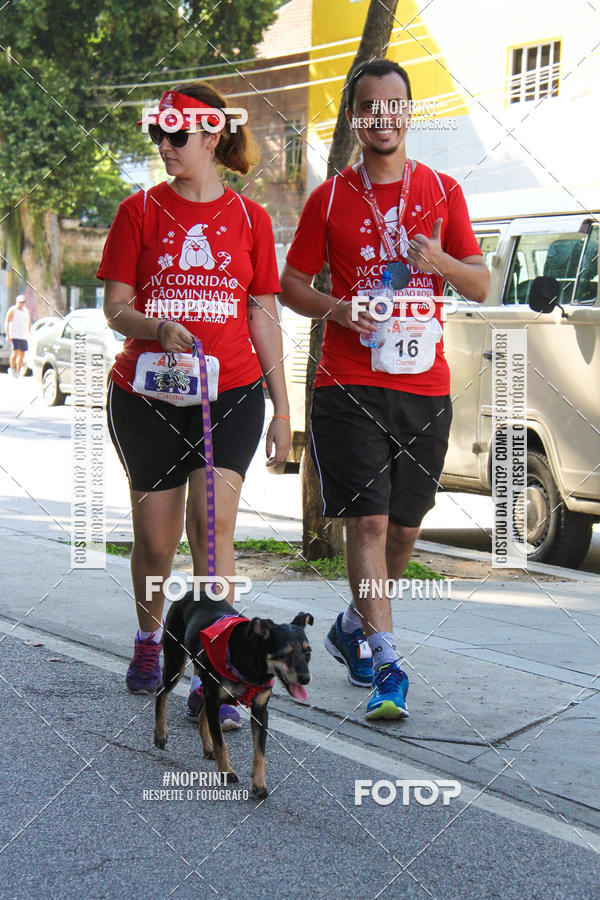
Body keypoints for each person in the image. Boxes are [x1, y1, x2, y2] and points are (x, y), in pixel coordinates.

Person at [281, 59, 489, 720]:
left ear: (408, 113)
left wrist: (441, 262)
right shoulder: (330, 198)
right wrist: (338, 310)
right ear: (354, 118)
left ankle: (353, 626)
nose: (383, 117)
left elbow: (481, 284)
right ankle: (389, 665)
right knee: (367, 520)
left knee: (403, 530)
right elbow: (290, 285)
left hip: (424, 385)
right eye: (369, 106)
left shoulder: (444, 191)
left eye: (394, 105)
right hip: (348, 383)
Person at [97, 82, 291, 730]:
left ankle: (218, 673)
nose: (164, 145)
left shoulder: (250, 219)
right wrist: (157, 328)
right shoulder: (139, 212)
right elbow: (115, 307)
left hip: (229, 392)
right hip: (148, 393)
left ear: (212, 136)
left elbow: (263, 318)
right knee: (156, 544)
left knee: (212, 529)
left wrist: (284, 409)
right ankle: (151, 639)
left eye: (177, 135)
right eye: (158, 132)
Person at [4, 294, 31, 376]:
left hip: (23, 335)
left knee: (22, 354)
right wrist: (7, 335)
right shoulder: (12, 310)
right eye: (20, 302)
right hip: (15, 334)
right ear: (17, 302)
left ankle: (18, 370)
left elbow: (28, 322)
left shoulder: (26, 311)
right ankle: (12, 368)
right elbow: (7, 322)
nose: (22, 304)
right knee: (15, 352)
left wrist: (29, 332)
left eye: (23, 302)